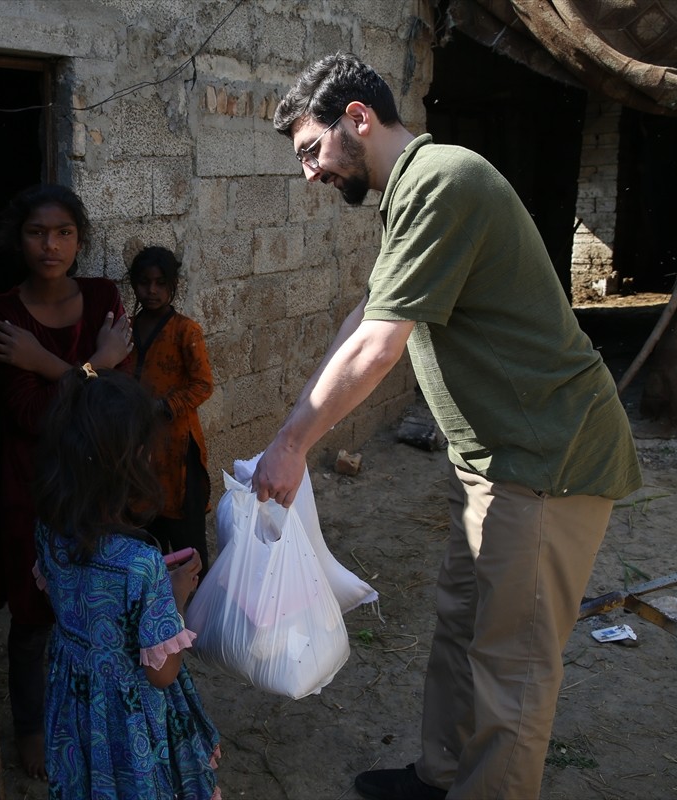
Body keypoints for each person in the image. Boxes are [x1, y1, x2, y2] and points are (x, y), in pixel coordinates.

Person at [254, 52, 642, 800]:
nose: (309, 174)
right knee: (462, 634)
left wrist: (293, 444)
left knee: (513, 669)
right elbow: (362, 315)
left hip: (545, 461)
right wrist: (287, 430)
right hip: (493, 462)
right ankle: (439, 777)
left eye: (311, 150)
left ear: (358, 119)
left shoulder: (442, 182)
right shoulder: (412, 191)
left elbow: (380, 343)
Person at [0, 183, 133, 779]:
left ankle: (102, 715)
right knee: (32, 613)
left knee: (103, 604)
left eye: (64, 232)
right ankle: (30, 727)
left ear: (79, 239)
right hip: (32, 486)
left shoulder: (101, 296)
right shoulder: (2, 312)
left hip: (100, 482)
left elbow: (119, 402)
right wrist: (98, 366)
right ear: (18, 239)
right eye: (37, 232)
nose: (51, 244)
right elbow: (33, 416)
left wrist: (50, 365)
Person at [31, 365, 221, 799]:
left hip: (73, 697)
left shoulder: (48, 530)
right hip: (126, 711)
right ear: (134, 461)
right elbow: (162, 673)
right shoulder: (142, 565)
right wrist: (175, 597)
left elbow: (68, 603)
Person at [126, 245, 215, 576]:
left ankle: (198, 616)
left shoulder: (185, 331)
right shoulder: (126, 329)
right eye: (144, 283)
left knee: (188, 547)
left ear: (173, 286)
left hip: (178, 450)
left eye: (161, 283)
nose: (152, 291)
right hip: (138, 452)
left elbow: (203, 385)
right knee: (145, 540)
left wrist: (163, 407)